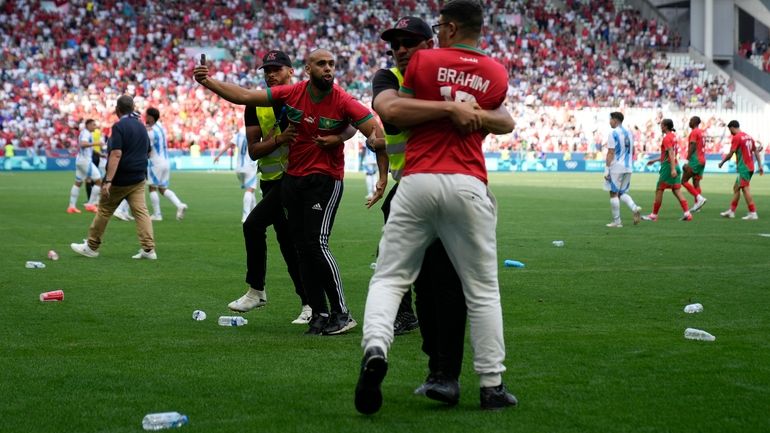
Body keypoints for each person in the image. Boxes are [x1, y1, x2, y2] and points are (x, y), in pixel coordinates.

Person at [355, 0, 518, 415]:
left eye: (409, 42)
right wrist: (462, 109)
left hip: (418, 180)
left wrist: (456, 108)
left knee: (391, 278)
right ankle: (491, 385)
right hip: (467, 181)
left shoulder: (422, 64)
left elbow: (394, 111)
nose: (401, 50)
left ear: (444, 29)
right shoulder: (496, 71)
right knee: (481, 291)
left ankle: (377, 346)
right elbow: (504, 118)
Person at [194, 48, 389, 335]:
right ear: (308, 69)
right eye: (321, 64)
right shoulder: (292, 93)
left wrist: (382, 177)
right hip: (292, 180)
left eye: (331, 64)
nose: (328, 69)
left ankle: (342, 314)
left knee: (316, 245)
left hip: (325, 181)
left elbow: (375, 131)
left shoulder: (343, 101)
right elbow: (245, 96)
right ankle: (318, 313)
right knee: (299, 247)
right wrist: (208, 82)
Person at [371, 15, 472, 404]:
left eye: (409, 42)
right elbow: (391, 113)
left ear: (430, 44)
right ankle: (435, 367)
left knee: (447, 286)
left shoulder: (457, 75)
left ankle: (452, 374)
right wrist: (449, 109)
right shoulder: (388, 78)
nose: (399, 49)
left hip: (453, 188)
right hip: (409, 190)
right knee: (422, 285)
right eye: (395, 43)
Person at [224, 50, 353, 325]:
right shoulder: (257, 105)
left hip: (297, 180)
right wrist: (279, 139)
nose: (271, 74)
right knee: (292, 243)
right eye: (266, 70)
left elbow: (349, 119)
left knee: (267, 231)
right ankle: (310, 305)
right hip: (272, 183)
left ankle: (263, 291)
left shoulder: (303, 97)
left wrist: (337, 136)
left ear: (292, 71)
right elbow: (254, 151)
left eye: (277, 69)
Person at [70, 95, 156, 260]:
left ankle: (91, 246)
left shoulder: (119, 126)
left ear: (117, 110)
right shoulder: (141, 126)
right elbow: (148, 150)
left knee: (104, 209)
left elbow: (116, 154)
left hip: (121, 178)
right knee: (141, 212)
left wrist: (108, 180)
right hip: (139, 176)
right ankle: (148, 249)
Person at [641, 119, 692, 222]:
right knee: (676, 190)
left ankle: (654, 215)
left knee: (659, 189)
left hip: (669, 167)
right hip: (675, 164)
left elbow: (671, 154)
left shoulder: (666, 138)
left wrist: (672, 169)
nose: (661, 127)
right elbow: (668, 154)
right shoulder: (674, 137)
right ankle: (687, 213)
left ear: (665, 126)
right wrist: (654, 161)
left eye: (662, 125)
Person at [145, 107, 188, 221]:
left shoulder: (150, 132)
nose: (145, 118)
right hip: (165, 161)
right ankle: (179, 205)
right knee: (162, 188)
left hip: (156, 162)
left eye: (146, 116)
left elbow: (148, 149)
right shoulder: (161, 127)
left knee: (152, 187)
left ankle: (157, 214)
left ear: (150, 117)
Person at [718, 120, 764, 219]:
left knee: (745, 189)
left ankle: (753, 213)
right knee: (736, 187)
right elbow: (755, 151)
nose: (730, 132)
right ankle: (731, 211)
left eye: (730, 130)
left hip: (744, 168)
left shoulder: (737, 137)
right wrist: (760, 165)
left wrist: (722, 162)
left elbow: (731, 153)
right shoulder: (748, 136)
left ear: (733, 128)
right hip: (750, 166)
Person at [604, 112, 642, 228]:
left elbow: (611, 152)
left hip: (616, 166)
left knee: (613, 193)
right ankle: (634, 208)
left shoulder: (613, 133)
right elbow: (633, 150)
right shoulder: (629, 133)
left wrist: (607, 169)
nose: (609, 122)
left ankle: (617, 222)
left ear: (615, 120)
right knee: (622, 192)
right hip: (628, 166)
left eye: (610, 119)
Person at [213, 127, 258, 223]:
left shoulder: (238, 135)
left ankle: (255, 212)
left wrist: (218, 156)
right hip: (250, 166)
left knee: (250, 190)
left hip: (239, 168)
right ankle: (246, 216)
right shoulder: (255, 133)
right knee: (250, 190)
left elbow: (229, 145)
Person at [67, 119, 103, 214]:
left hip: (79, 160)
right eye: (93, 125)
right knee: (98, 181)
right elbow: (83, 144)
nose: (95, 126)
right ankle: (90, 204)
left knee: (78, 183)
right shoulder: (86, 133)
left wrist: (99, 154)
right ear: (88, 125)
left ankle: (71, 206)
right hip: (85, 161)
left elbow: (87, 147)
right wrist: (96, 143)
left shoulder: (85, 133)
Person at [681, 116, 708, 212]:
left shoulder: (694, 132)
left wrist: (687, 160)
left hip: (695, 160)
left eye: (691, 120)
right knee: (696, 183)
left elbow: (692, 146)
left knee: (683, 181)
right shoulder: (701, 132)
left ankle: (699, 198)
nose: (689, 122)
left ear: (695, 122)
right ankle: (698, 206)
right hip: (702, 160)